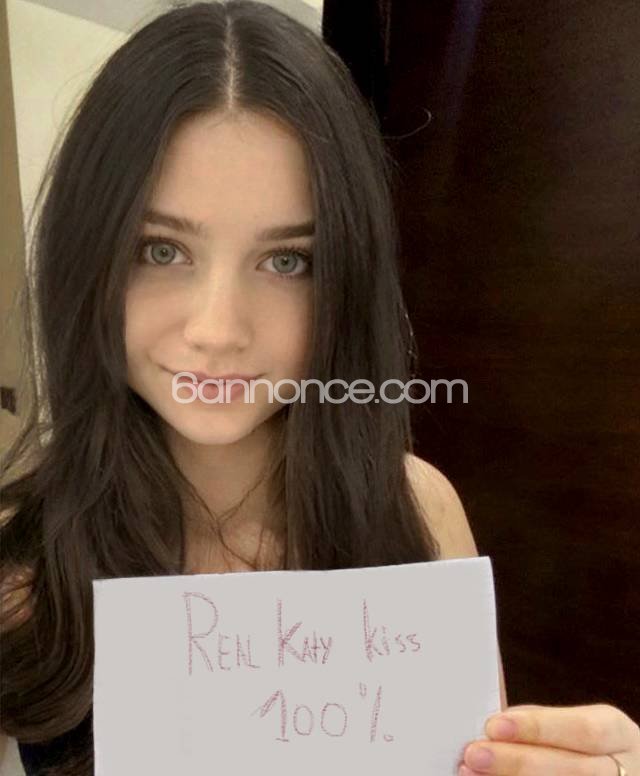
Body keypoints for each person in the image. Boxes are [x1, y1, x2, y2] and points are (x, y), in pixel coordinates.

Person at [0, 2, 637, 775]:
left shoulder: (418, 506)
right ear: (87, 254)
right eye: (161, 249)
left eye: (287, 261)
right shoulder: (20, 564)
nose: (217, 329)